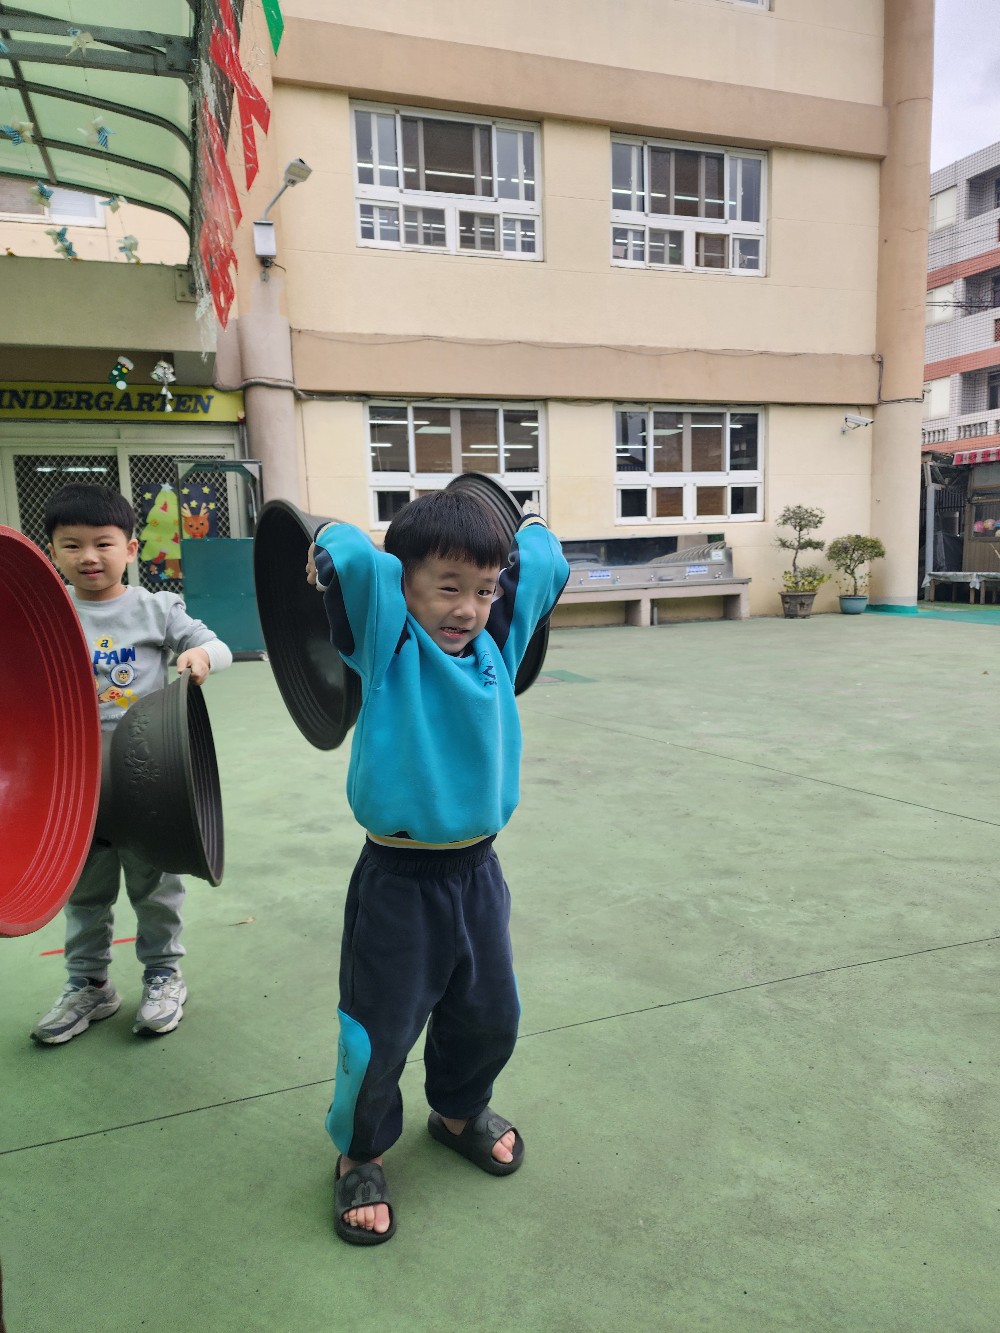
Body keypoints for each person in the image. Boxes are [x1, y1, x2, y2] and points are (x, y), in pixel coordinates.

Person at [306, 488, 569, 1246]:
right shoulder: (387, 643)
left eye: (482, 590)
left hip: (478, 874)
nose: (467, 608)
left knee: (489, 1012)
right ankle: (360, 1152)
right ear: (405, 584)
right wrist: (325, 540)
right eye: (447, 587)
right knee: (379, 1029)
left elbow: (542, 566)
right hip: (398, 880)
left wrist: (532, 523)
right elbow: (354, 559)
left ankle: (457, 1110)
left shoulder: (497, 648)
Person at [31, 483, 232, 1045]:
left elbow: (217, 647)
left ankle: (164, 974)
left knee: (155, 886)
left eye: (103, 543)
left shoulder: (155, 608)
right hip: (75, 787)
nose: (88, 557)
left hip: (147, 783)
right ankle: (89, 984)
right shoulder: (48, 613)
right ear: (51, 551)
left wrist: (198, 655)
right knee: (84, 892)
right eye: (72, 545)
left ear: (131, 548)